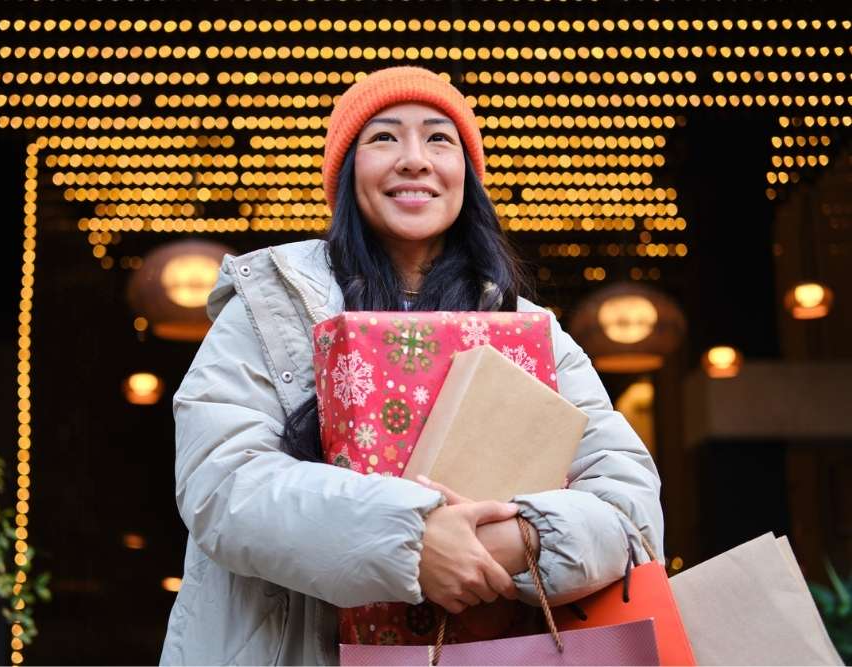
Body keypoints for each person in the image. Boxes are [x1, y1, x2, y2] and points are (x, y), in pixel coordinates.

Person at [159, 66, 663, 665]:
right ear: (346, 175)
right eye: (383, 138)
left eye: (439, 139)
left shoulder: (529, 330)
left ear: (467, 178)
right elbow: (222, 485)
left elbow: (629, 507)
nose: (414, 160)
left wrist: (513, 541)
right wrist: (413, 541)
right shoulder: (269, 308)